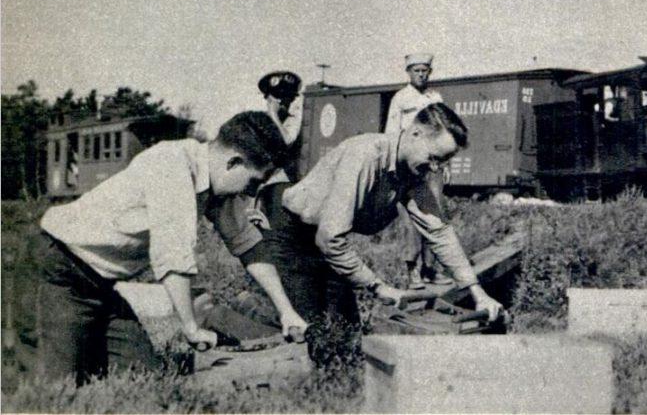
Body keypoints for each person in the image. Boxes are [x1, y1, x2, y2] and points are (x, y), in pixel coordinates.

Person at [35, 111, 308, 385]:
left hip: (101, 286)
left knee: (142, 378)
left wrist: (287, 312)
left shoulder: (216, 182)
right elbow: (173, 256)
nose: (252, 192)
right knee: (59, 387)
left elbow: (248, 246)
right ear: (234, 162)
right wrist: (191, 327)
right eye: (253, 182)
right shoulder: (172, 165)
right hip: (56, 270)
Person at [257, 103, 504, 337]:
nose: (436, 168)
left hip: (322, 237)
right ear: (415, 133)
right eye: (434, 158)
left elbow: (438, 232)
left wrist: (477, 292)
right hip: (289, 230)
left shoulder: (413, 172)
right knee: (309, 328)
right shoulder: (367, 155)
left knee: (347, 332)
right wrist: (378, 286)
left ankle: (342, 379)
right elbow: (330, 238)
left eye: (442, 162)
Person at [385, 53, 449, 289]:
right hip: (409, 167)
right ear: (409, 72)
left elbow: (442, 132)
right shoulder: (401, 99)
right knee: (411, 220)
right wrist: (392, 166)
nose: (421, 74)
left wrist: (445, 163)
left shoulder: (435, 97)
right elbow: (391, 134)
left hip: (432, 166)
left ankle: (430, 269)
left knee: (435, 217)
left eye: (425, 70)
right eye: (417, 70)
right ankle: (412, 272)